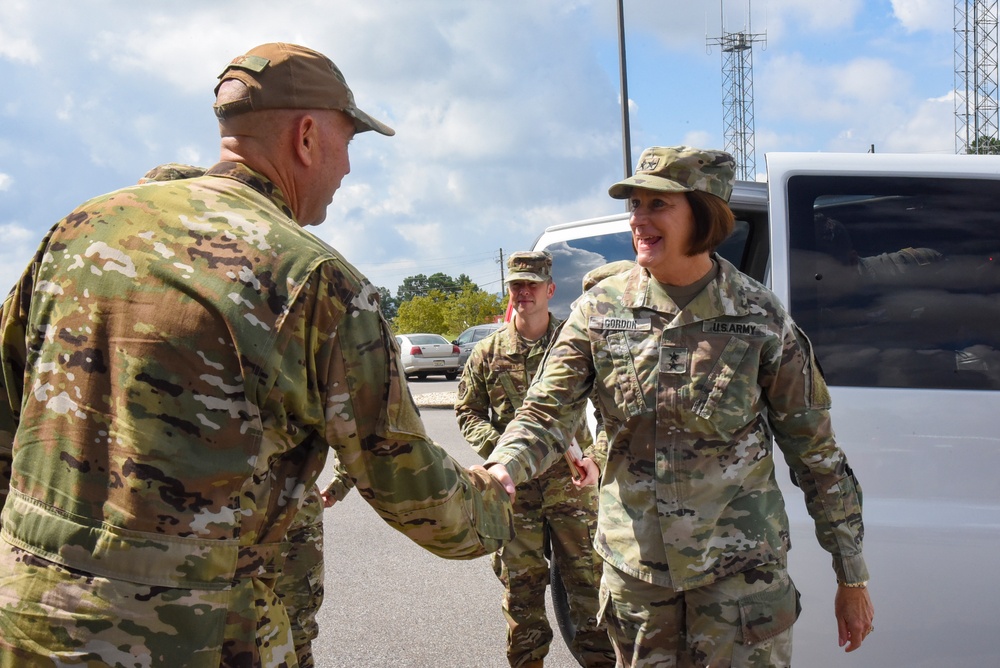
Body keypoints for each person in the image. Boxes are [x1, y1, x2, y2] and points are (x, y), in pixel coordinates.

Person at [0, 42, 513, 667]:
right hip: (196, 634)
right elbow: (419, 496)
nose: (349, 168)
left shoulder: (79, 229)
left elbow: (9, 418)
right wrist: (497, 496)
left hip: (30, 617)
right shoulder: (315, 279)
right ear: (306, 136)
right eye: (349, 141)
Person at [484, 146, 875, 666]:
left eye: (657, 204)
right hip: (637, 579)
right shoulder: (600, 311)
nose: (639, 219)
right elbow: (545, 412)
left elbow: (815, 451)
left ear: (704, 212)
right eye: (635, 205)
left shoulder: (758, 315)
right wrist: (503, 466)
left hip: (742, 580)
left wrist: (850, 572)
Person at [455, 251, 615, 668]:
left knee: (588, 586)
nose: (523, 292)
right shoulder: (487, 352)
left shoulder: (575, 344)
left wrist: (595, 457)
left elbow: (613, 412)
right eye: (516, 285)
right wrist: (501, 452)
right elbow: (467, 411)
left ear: (550, 290)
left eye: (531, 285)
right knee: (521, 593)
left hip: (570, 486)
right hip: (514, 493)